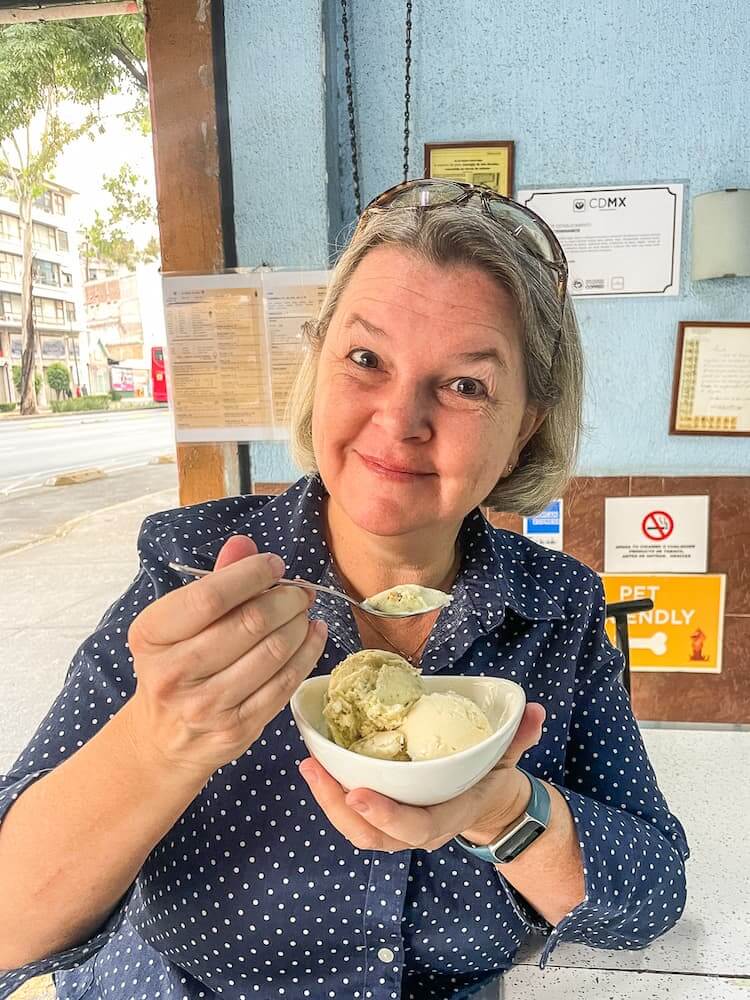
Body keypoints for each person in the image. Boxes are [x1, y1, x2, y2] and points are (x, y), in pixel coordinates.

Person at [0, 180, 689, 1000]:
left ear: (523, 431)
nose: (399, 420)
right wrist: (161, 741)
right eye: (366, 360)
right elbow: (12, 924)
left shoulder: (560, 611)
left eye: (466, 385)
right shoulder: (190, 570)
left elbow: (650, 900)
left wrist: (506, 809)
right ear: (319, 364)